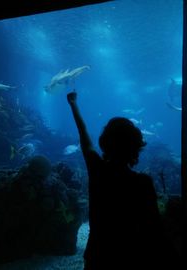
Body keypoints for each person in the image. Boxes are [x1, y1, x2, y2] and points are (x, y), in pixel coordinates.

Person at [67, 91, 181, 269]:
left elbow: (84, 136)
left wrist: (73, 104)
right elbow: (156, 230)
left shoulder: (97, 171)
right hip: (131, 257)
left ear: (104, 142)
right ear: (137, 146)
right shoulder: (143, 183)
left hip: (98, 255)